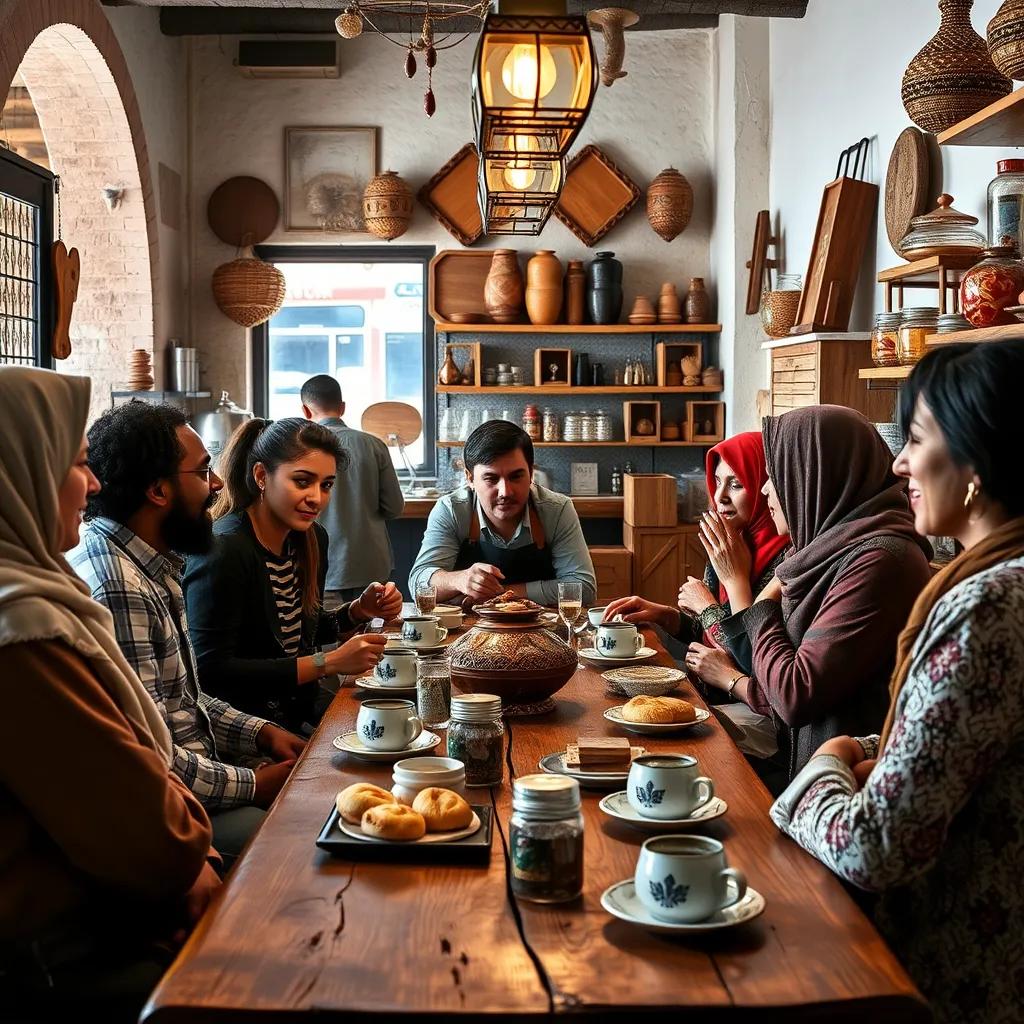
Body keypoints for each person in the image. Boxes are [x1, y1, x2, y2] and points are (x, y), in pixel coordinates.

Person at [770, 340, 1024, 1024]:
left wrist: (827, 761)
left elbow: (872, 846)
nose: (899, 463)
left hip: (957, 974)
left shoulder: (987, 606)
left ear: (975, 456)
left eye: (914, 439)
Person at [0, 367, 216, 1022]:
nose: (91, 486)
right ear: (19, 472)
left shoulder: (42, 594)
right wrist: (193, 860)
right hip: (59, 952)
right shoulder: (21, 631)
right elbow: (140, 828)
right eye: (75, 464)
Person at [69, 401, 307, 868]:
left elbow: (184, 699)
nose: (217, 484)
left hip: (203, 779)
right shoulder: (117, 584)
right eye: (203, 472)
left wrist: (260, 734)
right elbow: (151, 759)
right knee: (298, 838)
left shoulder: (154, 561)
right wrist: (256, 784)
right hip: (172, 808)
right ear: (158, 491)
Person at [700, 404, 932, 782]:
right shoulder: (823, 549)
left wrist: (763, 605)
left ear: (817, 478)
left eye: (775, 476)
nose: (764, 490)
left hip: (843, 786)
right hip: (812, 772)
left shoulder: (881, 560)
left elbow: (793, 694)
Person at [183, 417, 402, 734]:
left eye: (326, 485)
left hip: (296, 712)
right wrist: (327, 664)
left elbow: (296, 633)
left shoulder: (311, 539)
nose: (316, 497)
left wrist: (358, 611)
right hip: (244, 731)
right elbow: (213, 670)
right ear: (261, 476)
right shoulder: (226, 549)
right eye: (302, 481)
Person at [603, 431, 790, 686]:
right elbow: (710, 632)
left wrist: (707, 604)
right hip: (706, 688)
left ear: (765, 486)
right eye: (716, 481)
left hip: (743, 702)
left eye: (736, 484)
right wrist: (663, 615)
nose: (719, 496)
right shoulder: (728, 540)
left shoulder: (787, 559)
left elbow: (749, 658)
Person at [408, 419, 596, 607]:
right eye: (491, 478)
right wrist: (460, 580)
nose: (505, 491)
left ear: (531, 473)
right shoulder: (452, 509)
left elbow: (583, 588)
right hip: (470, 630)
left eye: (516, 477)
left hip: (541, 627)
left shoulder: (557, 509)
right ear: (470, 478)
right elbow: (418, 583)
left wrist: (500, 595)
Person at [300, 374, 405, 609]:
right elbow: (395, 508)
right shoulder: (374, 445)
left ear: (306, 411)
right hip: (372, 568)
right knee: (376, 640)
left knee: (329, 641)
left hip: (325, 569)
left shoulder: (301, 450)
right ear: (342, 408)